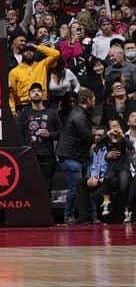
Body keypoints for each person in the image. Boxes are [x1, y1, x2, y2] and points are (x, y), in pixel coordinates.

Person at [57, 89, 96, 225]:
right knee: (75, 187)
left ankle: (89, 216)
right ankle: (68, 216)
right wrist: (100, 137)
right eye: (94, 99)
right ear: (89, 99)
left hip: (76, 156)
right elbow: (87, 136)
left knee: (85, 186)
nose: (95, 102)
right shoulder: (79, 115)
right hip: (70, 157)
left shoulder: (80, 113)